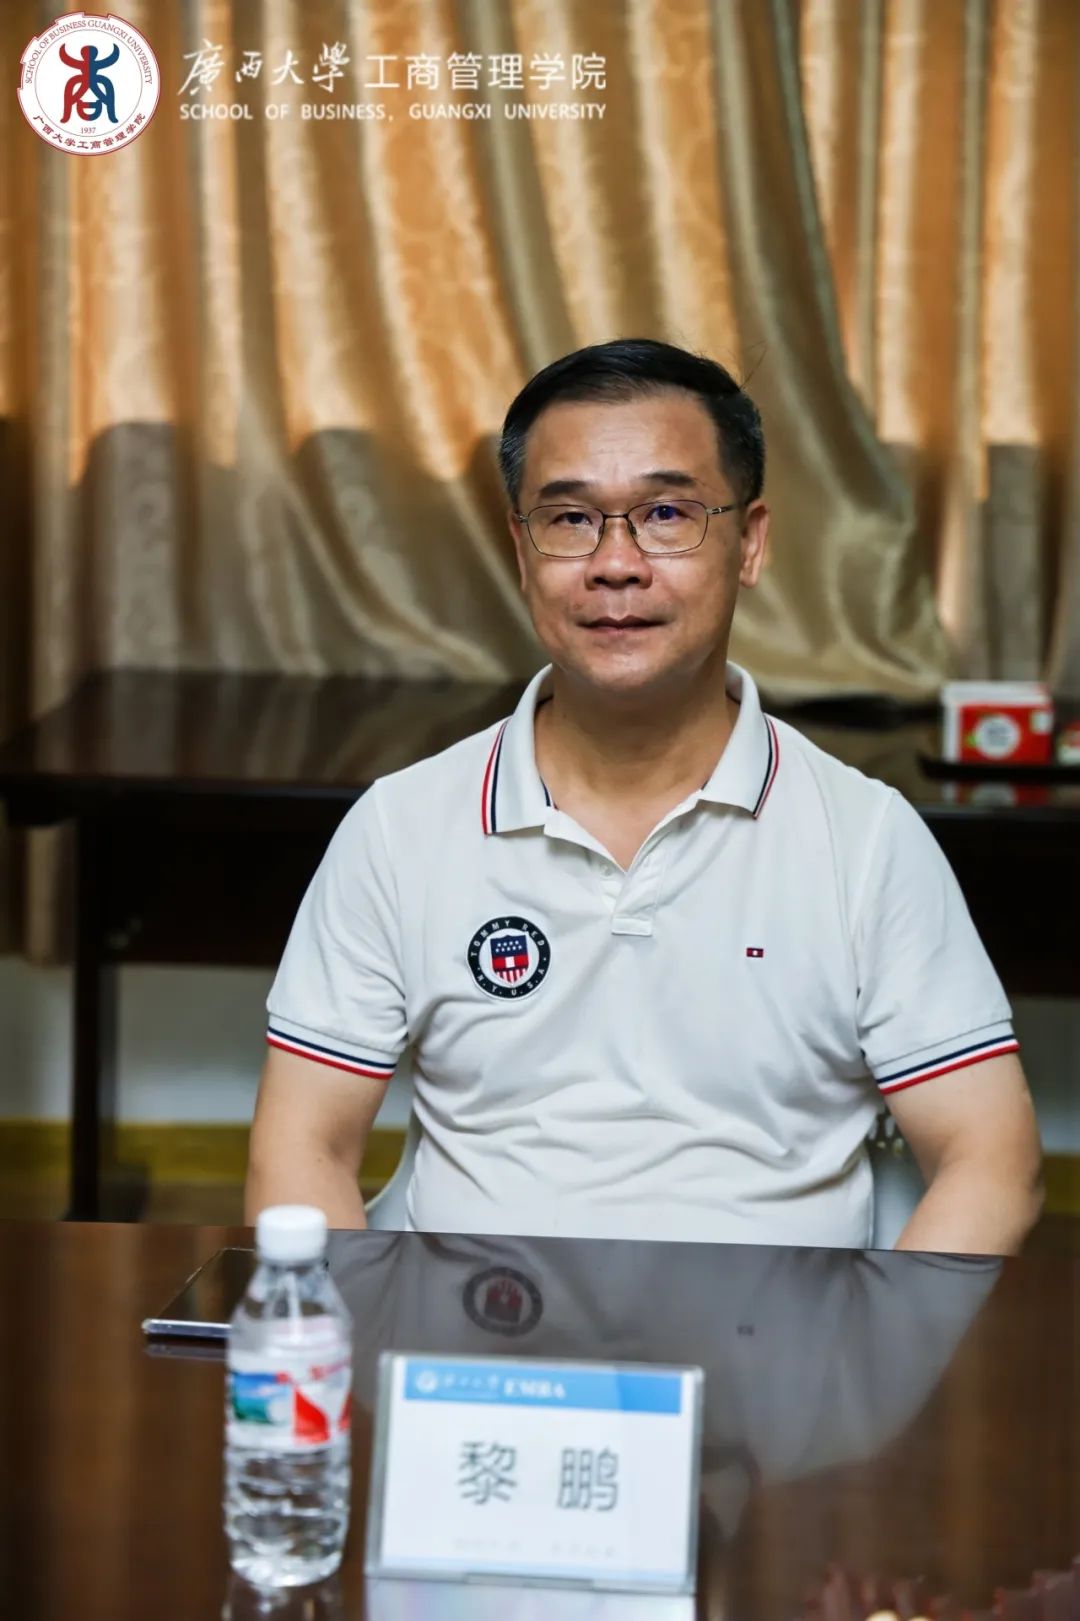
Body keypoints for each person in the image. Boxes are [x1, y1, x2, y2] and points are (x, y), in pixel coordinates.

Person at [246, 338, 1043, 1252]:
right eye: (570, 518)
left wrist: (878, 1343)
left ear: (750, 542)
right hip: (469, 1330)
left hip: (777, 1335)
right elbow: (302, 1145)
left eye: (667, 513)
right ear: (520, 550)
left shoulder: (865, 840)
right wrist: (341, 1338)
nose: (616, 564)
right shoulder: (400, 828)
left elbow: (991, 1159)